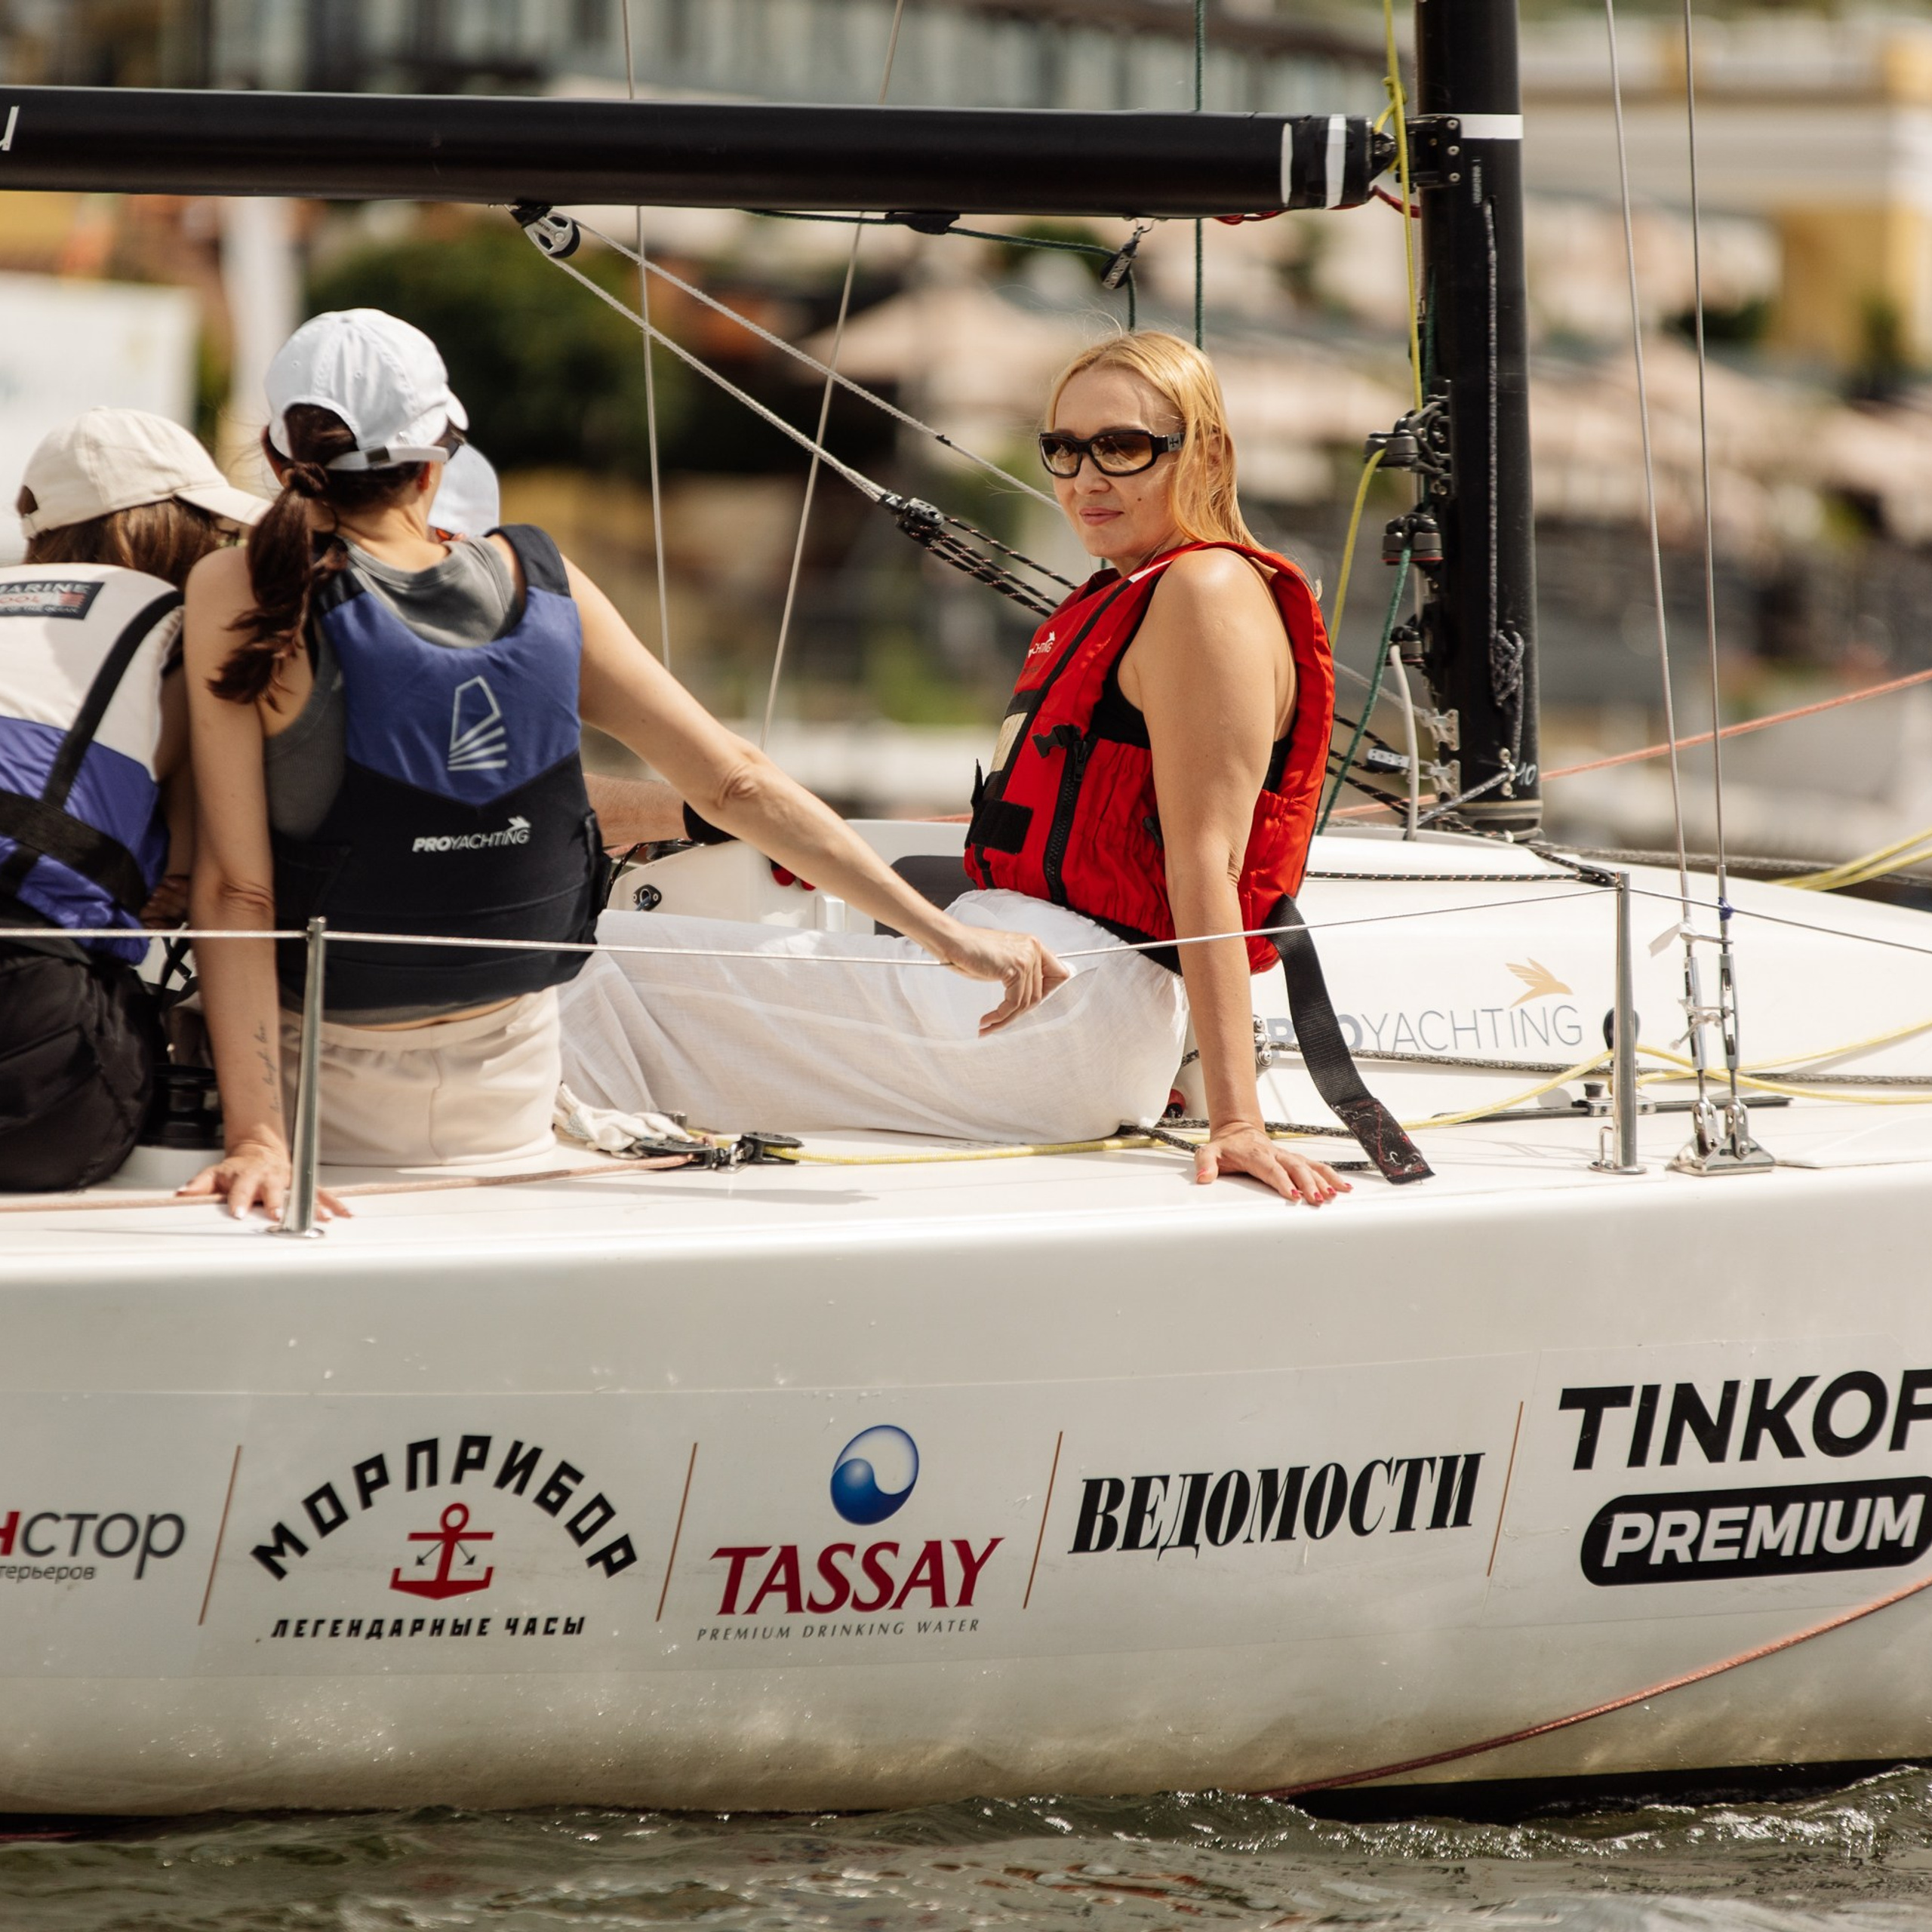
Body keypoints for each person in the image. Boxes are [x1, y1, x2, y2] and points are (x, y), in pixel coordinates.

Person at [180, 309, 1063, 1221]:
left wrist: (258, 1141)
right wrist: (944, 935)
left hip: (328, 1099)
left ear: (280, 461)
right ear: (441, 454)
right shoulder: (542, 579)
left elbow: (236, 891)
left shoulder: (245, 591)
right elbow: (737, 783)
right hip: (514, 1082)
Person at [557, 331, 1349, 1204]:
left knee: (580, 958)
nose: (1086, 478)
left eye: (1122, 447)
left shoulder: (1203, 592)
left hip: (1061, 1009)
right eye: (1063, 449)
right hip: (1031, 993)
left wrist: (1236, 1120)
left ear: (1206, 451)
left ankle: (517, 1169)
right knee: (610, 964)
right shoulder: (1127, 594)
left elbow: (1208, 863)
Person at [0, 408, 265, 1190]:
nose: (221, 553)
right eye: (212, 532)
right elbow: (190, 882)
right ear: (155, 530)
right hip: (32, 1053)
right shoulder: (178, 634)